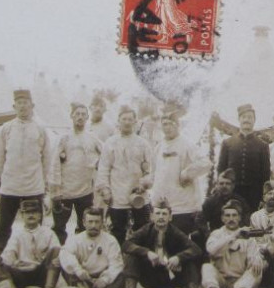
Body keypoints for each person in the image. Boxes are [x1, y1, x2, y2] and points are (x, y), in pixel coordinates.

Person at [0, 88, 51, 255]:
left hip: (33, 186)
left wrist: (43, 181)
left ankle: (37, 255)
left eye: (26, 103)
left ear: (32, 105)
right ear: (14, 106)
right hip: (10, 186)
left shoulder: (40, 128)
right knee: (4, 225)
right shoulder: (7, 128)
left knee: (36, 225)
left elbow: (47, 158)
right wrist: (4, 177)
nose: (23, 107)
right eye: (19, 103)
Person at [124, 199, 202, 288]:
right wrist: (147, 252)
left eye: (164, 214)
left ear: (170, 217)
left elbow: (196, 249)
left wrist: (178, 257)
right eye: (158, 213)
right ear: (152, 216)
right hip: (149, 275)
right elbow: (127, 244)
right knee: (132, 257)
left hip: (169, 277)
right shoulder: (146, 230)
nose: (161, 217)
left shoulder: (175, 232)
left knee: (190, 261)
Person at [95, 105, 153, 248]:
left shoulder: (143, 144)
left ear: (135, 122)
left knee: (143, 231)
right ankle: (118, 263)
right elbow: (103, 169)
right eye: (124, 119)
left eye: (130, 119)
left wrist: (144, 184)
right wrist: (105, 190)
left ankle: (141, 262)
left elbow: (151, 170)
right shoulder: (110, 143)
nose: (127, 122)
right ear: (118, 122)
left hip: (139, 196)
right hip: (117, 196)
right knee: (117, 233)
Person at [150, 101, 210, 239]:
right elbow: (154, 174)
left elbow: (206, 163)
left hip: (183, 207)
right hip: (163, 207)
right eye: (164, 124)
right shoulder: (158, 148)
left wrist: (188, 173)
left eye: (171, 124)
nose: (168, 128)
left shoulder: (187, 144)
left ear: (178, 125)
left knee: (181, 242)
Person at [49, 101, 102, 245]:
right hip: (64, 191)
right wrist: (55, 190)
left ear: (87, 118)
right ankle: (58, 257)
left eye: (83, 114)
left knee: (84, 226)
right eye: (77, 114)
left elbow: (105, 156)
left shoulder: (92, 138)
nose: (80, 117)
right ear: (71, 116)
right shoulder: (63, 138)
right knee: (59, 227)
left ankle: (82, 254)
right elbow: (54, 164)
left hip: (85, 191)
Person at [201, 200, 264, 288]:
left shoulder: (248, 237)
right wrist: (233, 236)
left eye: (234, 215)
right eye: (227, 215)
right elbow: (211, 250)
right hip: (221, 283)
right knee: (206, 267)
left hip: (239, 285)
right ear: (222, 219)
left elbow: (254, 256)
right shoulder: (216, 234)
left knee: (256, 271)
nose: (231, 218)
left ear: (239, 218)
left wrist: (256, 259)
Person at [55, 205, 125, 288]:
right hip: (83, 277)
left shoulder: (110, 240)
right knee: (67, 268)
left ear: (102, 222)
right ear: (84, 222)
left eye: (97, 222)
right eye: (90, 222)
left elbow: (116, 264)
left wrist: (105, 279)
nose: (93, 225)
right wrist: (78, 270)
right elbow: (66, 254)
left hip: (102, 277)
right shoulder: (76, 239)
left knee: (123, 274)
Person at [0, 198, 59, 288]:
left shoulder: (49, 233)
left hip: (40, 273)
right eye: (27, 213)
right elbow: (9, 254)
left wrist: (51, 258)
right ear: (22, 216)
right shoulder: (17, 234)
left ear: (40, 215)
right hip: (21, 274)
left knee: (56, 252)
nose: (31, 215)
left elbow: (57, 252)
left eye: (34, 212)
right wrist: (4, 261)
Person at [216, 104, 271, 211]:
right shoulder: (227, 143)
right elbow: (221, 170)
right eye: (244, 117)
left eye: (250, 117)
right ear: (239, 119)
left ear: (254, 120)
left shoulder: (262, 146)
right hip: (231, 193)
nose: (247, 120)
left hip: (254, 195)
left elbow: (265, 174)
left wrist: (263, 197)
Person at [197, 169, 251, 236]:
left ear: (233, 186)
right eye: (221, 183)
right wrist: (208, 234)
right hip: (217, 236)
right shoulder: (210, 201)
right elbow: (200, 219)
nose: (224, 186)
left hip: (236, 235)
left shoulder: (241, 201)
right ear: (217, 185)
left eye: (227, 183)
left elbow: (246, 219)